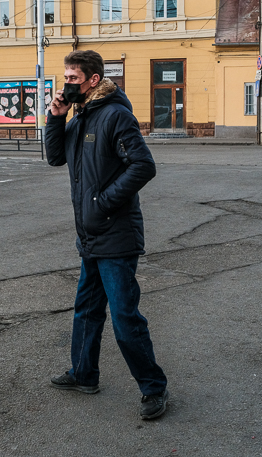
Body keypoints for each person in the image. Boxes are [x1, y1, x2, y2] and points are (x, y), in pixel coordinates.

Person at [44, 50, 169, 421]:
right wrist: (55, 117)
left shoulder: (115, 115)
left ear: (93, 80)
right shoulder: (81, 114)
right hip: (91, 236)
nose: (67, 84)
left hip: (115, 234)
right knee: (86, 310)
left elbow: (143, 166)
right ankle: (84, 373)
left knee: (125, 318)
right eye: (66, 78)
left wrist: (102, 202)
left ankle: (154, 388)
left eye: (73, 78)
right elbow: (55, 157)